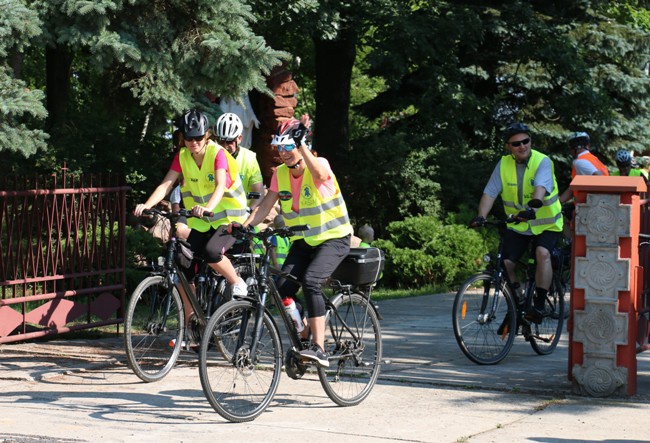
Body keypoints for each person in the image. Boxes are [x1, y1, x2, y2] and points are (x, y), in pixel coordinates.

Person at [242, 116, 353, 367]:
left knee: (311, 281)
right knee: (282, 290)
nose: (284, 153)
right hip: (304, 242)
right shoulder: (279, 174)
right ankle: (304, 332)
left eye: (288, 146)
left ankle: (319, 348)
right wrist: (245, 226)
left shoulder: (318, 165)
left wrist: (301, 143)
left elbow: (320, 173)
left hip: (334, 238)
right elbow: (265, 207)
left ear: (301, 145)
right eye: (280, 147)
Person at [134, 109, 249, 299]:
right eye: (189, 138)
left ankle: (237, 282)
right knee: (183, 265)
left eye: (198, 137)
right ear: (183, 137)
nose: (194, 142)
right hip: (202, 222)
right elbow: (166, 185)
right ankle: (191, 323)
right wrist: (146, 206)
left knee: (211, 252)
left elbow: (220, 185)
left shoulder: (217, 153)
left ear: (206, 135)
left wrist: (207, 208)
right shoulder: (183, 156)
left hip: (230, 219)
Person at [471, 122, 563, 324]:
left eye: (525, 141)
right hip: (519, 224)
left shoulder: (543, 161)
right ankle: (519, 301)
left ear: (531, 141)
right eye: (516, 143)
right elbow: (489, 193)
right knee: (505, 263)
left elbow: (540, 188)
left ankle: (538, 304)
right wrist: (481, 216)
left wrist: (531, 210)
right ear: (508, 147)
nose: (522, 146)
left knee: (542, 253)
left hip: (546, 223)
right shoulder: (503, 164)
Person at [213, 112, 264, 211]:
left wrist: (250, 210)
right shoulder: (210, 156)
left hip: (241, 215)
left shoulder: (249, 158)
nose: (225, 146)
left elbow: (259, 193)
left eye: (229, 142)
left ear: (239, 138)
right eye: (220, 141)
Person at [559, 131, 609, 204]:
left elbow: (600, 178)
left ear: (572, 149)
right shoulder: (593, 159)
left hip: (590, 207)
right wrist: (558, 203)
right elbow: (573, 188)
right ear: (588, 145)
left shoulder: (580, 162)